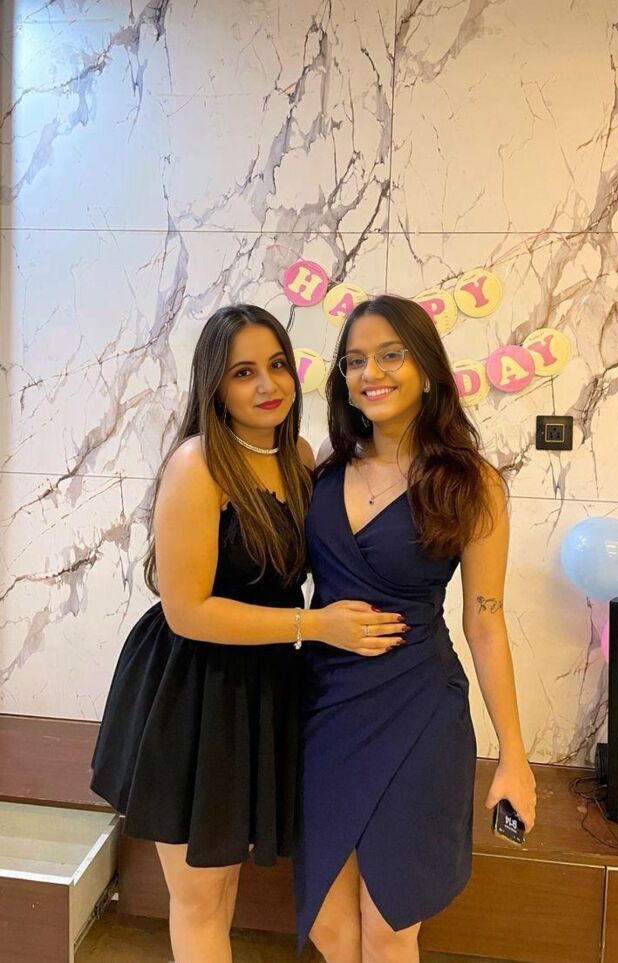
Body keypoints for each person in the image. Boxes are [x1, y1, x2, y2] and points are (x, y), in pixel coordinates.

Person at [90, 304, 405, 963]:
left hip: (264, 685)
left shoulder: (297, 456)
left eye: (278, 365)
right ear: (215, 385)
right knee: (201, 900)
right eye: (243, 372)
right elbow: (186, 611)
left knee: (226, 884)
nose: (267, 384)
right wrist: (315, 625)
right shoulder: (197, 464)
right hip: (192, 691)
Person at [294, 294, 537, 963]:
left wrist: (514, 756)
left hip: (419, 712)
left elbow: (485, 623)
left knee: (390, 923)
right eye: (354, 361)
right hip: (324, 709)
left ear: (427, 368)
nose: (370, 372)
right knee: (329, 924)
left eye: (390, 355)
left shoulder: (471, 482)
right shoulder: (327, 464)